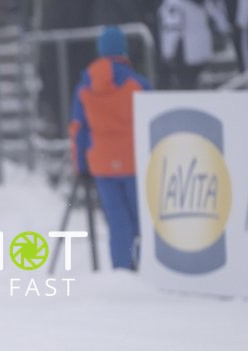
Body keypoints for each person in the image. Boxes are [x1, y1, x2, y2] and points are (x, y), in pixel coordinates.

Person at [69, 26, 151, 271]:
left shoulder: (85, 86)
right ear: (124, 50)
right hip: (136, 162)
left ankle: (122, 270)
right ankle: (147, 266)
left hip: (102, 165)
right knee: (142, 220)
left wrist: (81, 166)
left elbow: (78, 129)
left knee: (117, 222)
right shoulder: (137, 84)